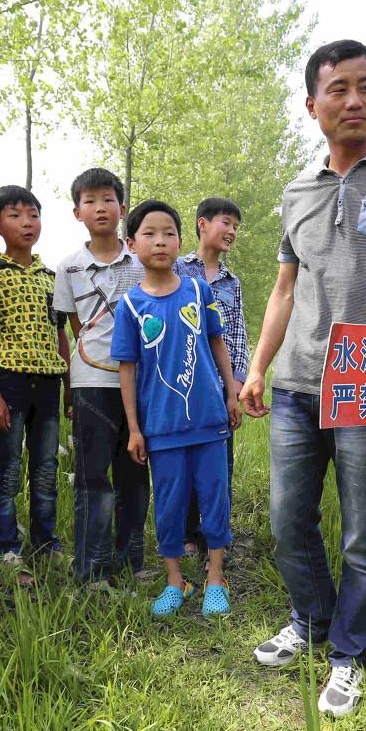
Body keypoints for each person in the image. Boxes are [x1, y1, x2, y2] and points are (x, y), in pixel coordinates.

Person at [240, 40, 366, 717]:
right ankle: (311, 620)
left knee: (363, 532)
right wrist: (256, 367)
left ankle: (348, 653)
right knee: (287, 521)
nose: (355, 100)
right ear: (313, 105)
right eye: (339, 89)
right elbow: (282, 291)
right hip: (299, 384)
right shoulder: (297, 192)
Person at [111, 200, 241, 616]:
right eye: (149, 233)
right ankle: (175, 581)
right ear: (132, 244)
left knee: (215, 499)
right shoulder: (130, 306)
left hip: (210, 423)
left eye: (169, 233)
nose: (161, 241)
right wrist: (134, 428)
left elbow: (218, 343)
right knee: (167, 506)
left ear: (181, 240)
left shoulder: (199, 292)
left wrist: (231, 393)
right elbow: (127, 369)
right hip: (161, 428)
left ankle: (215, 579)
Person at [52, 168, 149, 587]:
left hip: (141, 384)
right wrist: (71, 387)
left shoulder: (141, 260)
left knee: (134, 474)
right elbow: (74, 327)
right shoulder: (69, 267)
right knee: (93, 477)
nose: (100, 208)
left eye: (107, 199)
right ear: (77, 212)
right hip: (91, 381)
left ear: (122, 208)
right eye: (89, 201)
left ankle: (131, 560)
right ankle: (91, 568)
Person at [0, 185, 70, 572]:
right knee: (7, 468)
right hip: (8, 383)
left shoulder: (51, 276)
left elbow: (59, 332)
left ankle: (47, 544)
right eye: (15, 215)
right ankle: (8, 548)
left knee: (45, 468)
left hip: (47, 384)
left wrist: (69, 387)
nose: (27, 223)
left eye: (33, 214)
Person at [173, 197, 248, 556]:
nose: (232, 231)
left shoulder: (233, 283)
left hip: (219, 387)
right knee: (183, 458)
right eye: (225, 222)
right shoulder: (175, 268)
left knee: (220, 463)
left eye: (236, 226)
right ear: (202, 224)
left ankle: (214, 536)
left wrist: (235, 385)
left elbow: (237, 335)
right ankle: (186, 534)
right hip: (181, 384)